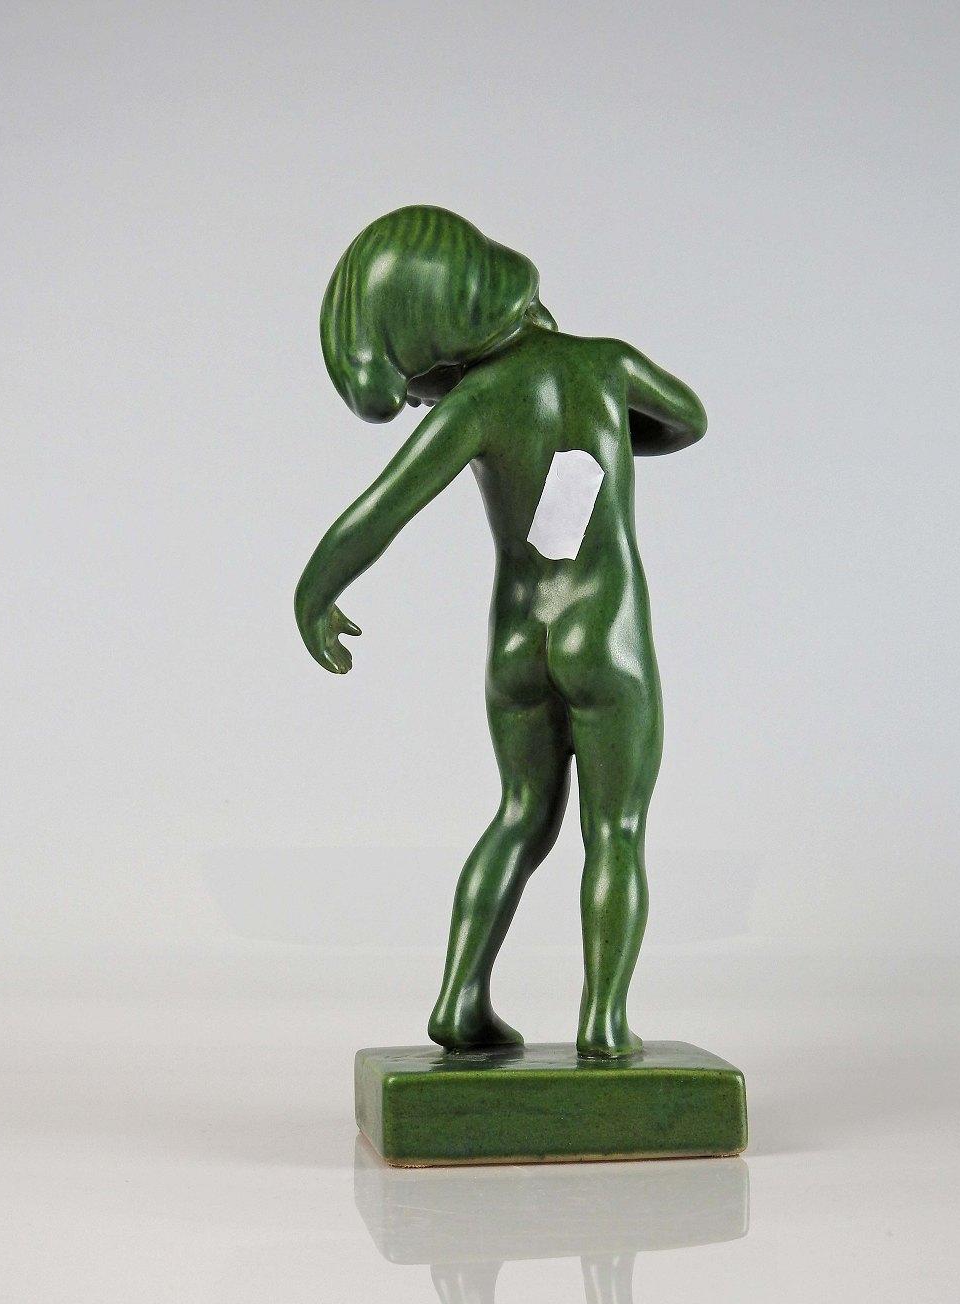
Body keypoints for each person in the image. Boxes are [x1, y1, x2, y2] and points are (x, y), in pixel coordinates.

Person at [295, 206, 707, 1056]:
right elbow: (689, 419)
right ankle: (603, 1025)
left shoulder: (475, 404)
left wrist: (316, 593)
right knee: (615, 831)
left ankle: (460, 999)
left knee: (521, 814)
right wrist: (607, 435)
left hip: (519, 642)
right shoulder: (607, 365)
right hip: (605, 635)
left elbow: (382, 510)